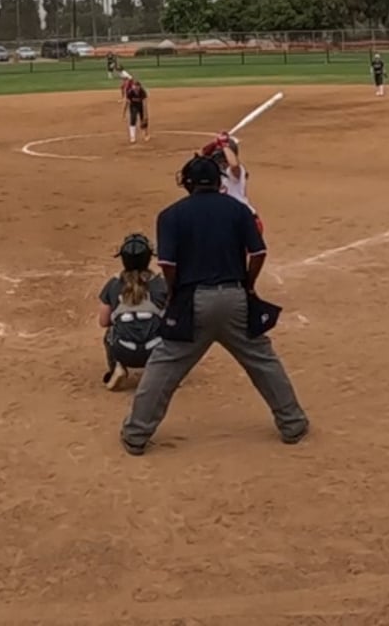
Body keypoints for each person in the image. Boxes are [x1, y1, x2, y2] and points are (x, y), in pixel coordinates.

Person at [120, 154, 308, 455]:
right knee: (263, 361)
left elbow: (168, 264)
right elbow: (258, 253)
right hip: (235, 298)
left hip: (193, 301)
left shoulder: (171, 215)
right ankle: (293, 424)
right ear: (218, 181)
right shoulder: (238, 209)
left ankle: (136, 435)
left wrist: (175, 292)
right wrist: (248, 284)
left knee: (164, 365)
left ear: (188, 183)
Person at [98, 233, 168, 390]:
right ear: (149, 258)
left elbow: (103, 321)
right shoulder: (161, 283)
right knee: (168, 325)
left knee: (110, 331)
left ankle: (117, 367)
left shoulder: (113, 284)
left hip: (124, 351)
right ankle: (164, 370)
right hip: (154, 351)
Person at [120, 71, 150, 144]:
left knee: (144, 120)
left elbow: (144, 104)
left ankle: (146, 134)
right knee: (133, 118)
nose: (136, 88)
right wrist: (123, 113)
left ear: (139, 87)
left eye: (137, 87)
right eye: (134, 87)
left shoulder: (142, 92)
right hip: (133, 106)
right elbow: (126, 103)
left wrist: (145, 115)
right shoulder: (130, 92)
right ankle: (132, 136)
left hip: (141, 106)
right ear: (133, 87)